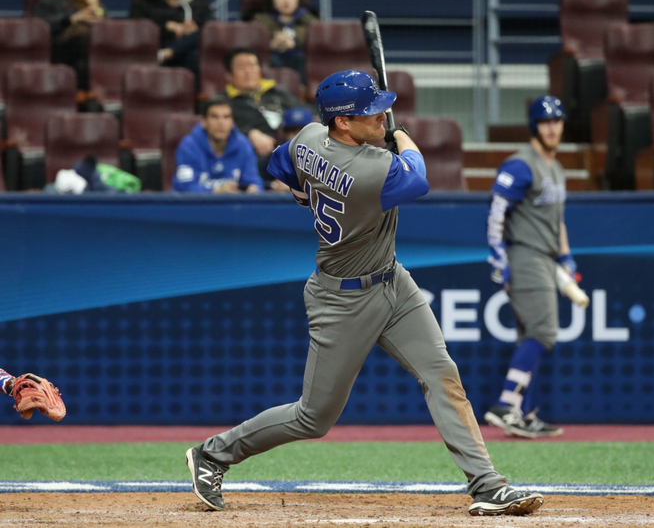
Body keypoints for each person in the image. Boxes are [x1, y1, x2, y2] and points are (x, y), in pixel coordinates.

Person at [184, 70, 544, 517]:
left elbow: (277, 164)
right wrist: (403, 136)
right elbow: (418, 177)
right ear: (342, 124)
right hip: (342, 300)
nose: (383, 117)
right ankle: (213, 454)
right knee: (313, 417)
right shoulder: (367, 168)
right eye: (370, 113)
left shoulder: (309, 137)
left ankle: (486, 484)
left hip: (393, 282)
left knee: (442, 375)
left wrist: (306, 192)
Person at [484, 96, 573, 439]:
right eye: (546, 121)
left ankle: (518, 413)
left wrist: (566, 256)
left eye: (558, 121)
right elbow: (496, 212)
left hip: (546, 257)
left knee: (530, 335)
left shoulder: (557, 167)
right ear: (535, 125)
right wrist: (498, 257)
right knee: (543, 332)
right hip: (524, 254)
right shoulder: (520, 165)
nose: (553, 127)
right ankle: (506, 406)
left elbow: (557, 220)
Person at [223, 47, 306, 183]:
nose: (248, 72)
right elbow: (217, 130)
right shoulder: (223, 102)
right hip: (253, 162)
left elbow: (307, 115)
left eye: (253, 66)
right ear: (229, 75)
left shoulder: (278, 94)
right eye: (241, 68)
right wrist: (248, 133)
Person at [173, 96, 264, 193]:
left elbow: (254, 180)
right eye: (214, 117)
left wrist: (254, 189)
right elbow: (184, 188)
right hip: (198, 207)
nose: (221, 123)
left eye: (226, 117)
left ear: (232, 122)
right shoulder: (189, 146)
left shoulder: (243, 145)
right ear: (204, 122)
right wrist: (216, 191)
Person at [33, 0, 104, 90]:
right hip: (59, 50)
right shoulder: (49, 1)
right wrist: (72, 19)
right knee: (80, 42)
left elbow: (106, 24)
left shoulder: (88, 3)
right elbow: (42, 27)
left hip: (87, 51)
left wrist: (94, 6)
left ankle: (87, 94)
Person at [129, 0, 211, 77]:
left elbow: (207, 30)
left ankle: (170, 52)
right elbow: (135, 29)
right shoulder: (144, 3)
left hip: (186, 49)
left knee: (196, 45)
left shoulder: (197, 2)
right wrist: (166, 26)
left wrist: (191, 28)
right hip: (157, 47)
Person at [253, 0, 318, 83]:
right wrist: (271, 44)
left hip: (300, 59)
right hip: (272, 57)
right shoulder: (260, 20)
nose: (285, 0)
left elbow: (316, 41)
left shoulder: (309, 20)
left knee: (300, 58)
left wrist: (295, 42)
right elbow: (255, 43)